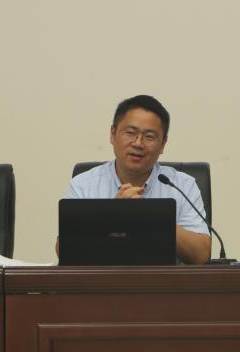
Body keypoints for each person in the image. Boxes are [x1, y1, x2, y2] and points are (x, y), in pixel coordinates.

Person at [60, 95, 211, 264]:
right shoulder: (84, 184)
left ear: (163, 144)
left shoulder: (181, 185)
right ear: (112, 134)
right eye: (130, 133)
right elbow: (64, 250)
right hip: (102, 280)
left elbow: (201, 256)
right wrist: (111, 215)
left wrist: (154, 216)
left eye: (149, 136)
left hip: (164, 280)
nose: (138, 143)